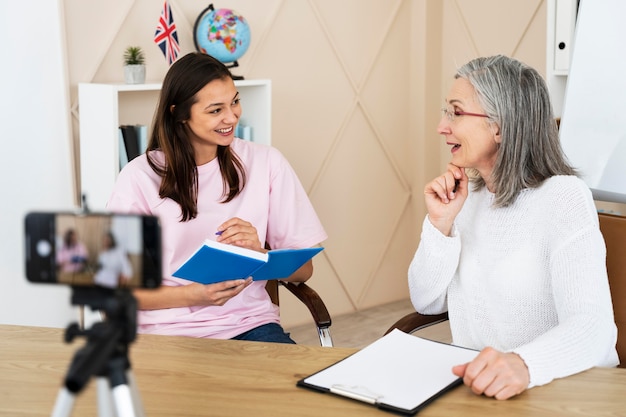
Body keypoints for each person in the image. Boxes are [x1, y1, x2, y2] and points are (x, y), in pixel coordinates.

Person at [408, 55, 618, 400]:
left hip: (562, 391)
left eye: (456, 112)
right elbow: (426, 301)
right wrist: (440, 224)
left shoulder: (563, 197)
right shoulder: (465, 197)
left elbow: (593, 330)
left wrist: (523, 364)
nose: (442, 127)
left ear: (500, 126)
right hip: (483, 391)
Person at [106, 52, 327, 344]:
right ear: (179, 113)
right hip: (166, 331)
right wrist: (194, 295)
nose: (231, 117)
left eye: (235, 101)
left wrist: (259, 252)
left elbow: (303, 271)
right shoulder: (138, 177)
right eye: (215, 110)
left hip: (250, 325)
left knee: (291, 389)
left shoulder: (267, 163)